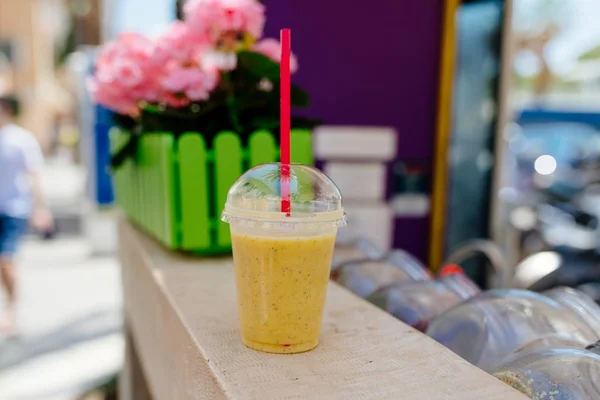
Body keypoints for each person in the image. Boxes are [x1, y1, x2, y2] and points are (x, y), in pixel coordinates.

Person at [0, 95, 53, 334]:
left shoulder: (21, 140)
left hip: (14, 208)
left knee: (7, 259)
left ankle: (12, 311)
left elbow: (34, 174)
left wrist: (41, 208)